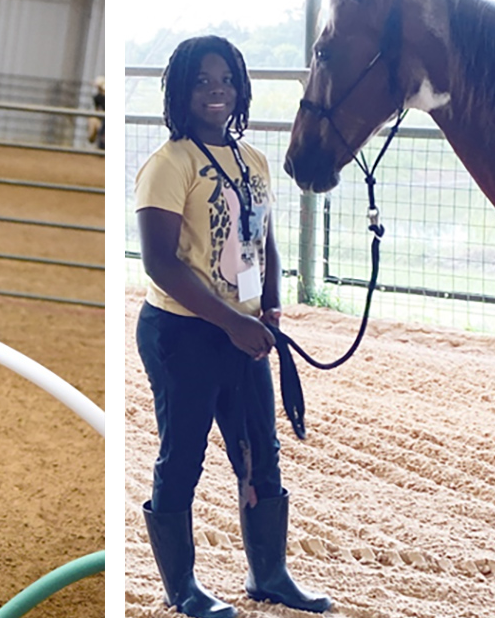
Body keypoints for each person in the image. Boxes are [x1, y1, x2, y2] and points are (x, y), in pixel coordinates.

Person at [135, 35, 333, 618]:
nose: (216, 89)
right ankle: (182, 589)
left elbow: (263, 239)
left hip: (244, 329)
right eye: (202, 81)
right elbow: (160, 263)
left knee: (259, 452)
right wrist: (230, 323)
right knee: (184, 454)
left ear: (240, 87)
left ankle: (268, 574)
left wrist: (269, 307)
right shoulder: (168, 166)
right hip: (182, 334)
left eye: (225, 79)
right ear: (181, 92)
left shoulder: (254, 162)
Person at [86, 75, 104, 150]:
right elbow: (97, 109)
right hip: (102, 118)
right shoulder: (97, 97)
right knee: (93, 120)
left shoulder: (99, 97)